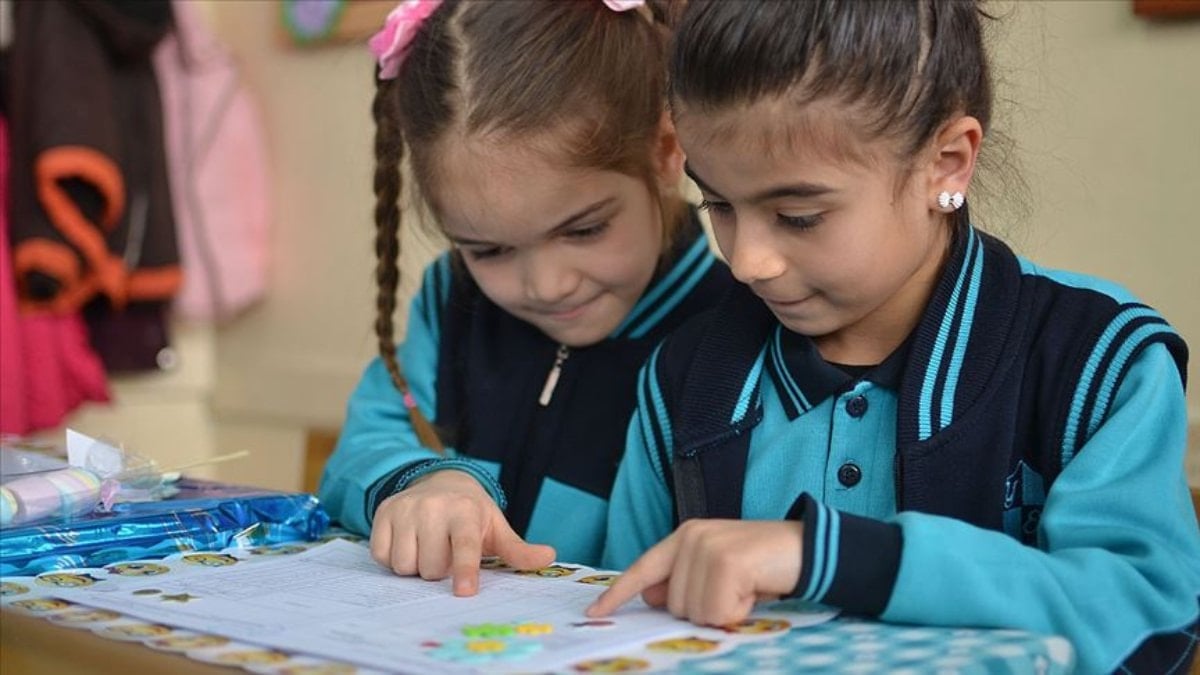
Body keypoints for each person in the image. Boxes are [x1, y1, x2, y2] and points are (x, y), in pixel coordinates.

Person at [587, 2, 1200, 672]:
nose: (746, 262)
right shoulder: (682, 378)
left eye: (798, 216)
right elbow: (622, 630)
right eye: (719, 205)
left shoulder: (1100, 360)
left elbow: (1153, 623)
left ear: (947, 164)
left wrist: (841, 558)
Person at [317, 0, 734, 597]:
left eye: (584, 230)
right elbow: (361, 448)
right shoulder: (451, 298)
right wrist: (425, 482)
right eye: (488, 250)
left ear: (667, 151)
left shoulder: (734, 335)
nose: (546, 285)